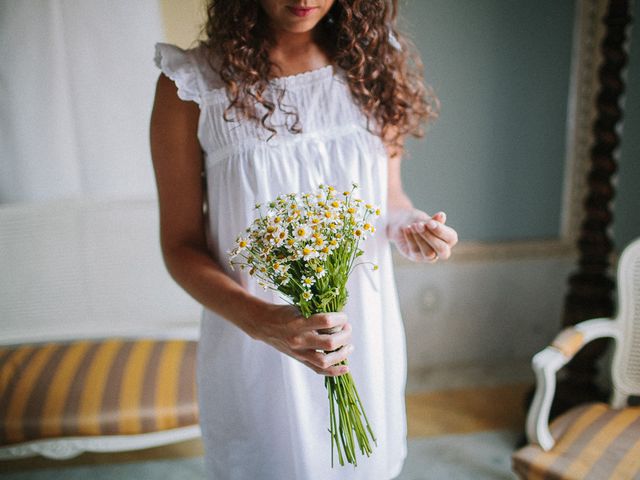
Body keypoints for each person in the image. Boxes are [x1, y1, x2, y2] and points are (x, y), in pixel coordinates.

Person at [149, 1, 458, 478]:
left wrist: (410, 226)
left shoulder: (372, 65)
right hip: (256, 341)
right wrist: (265, 322)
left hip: (361, 333)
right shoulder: (190, 86)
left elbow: (389, 197)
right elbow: (180, 244)